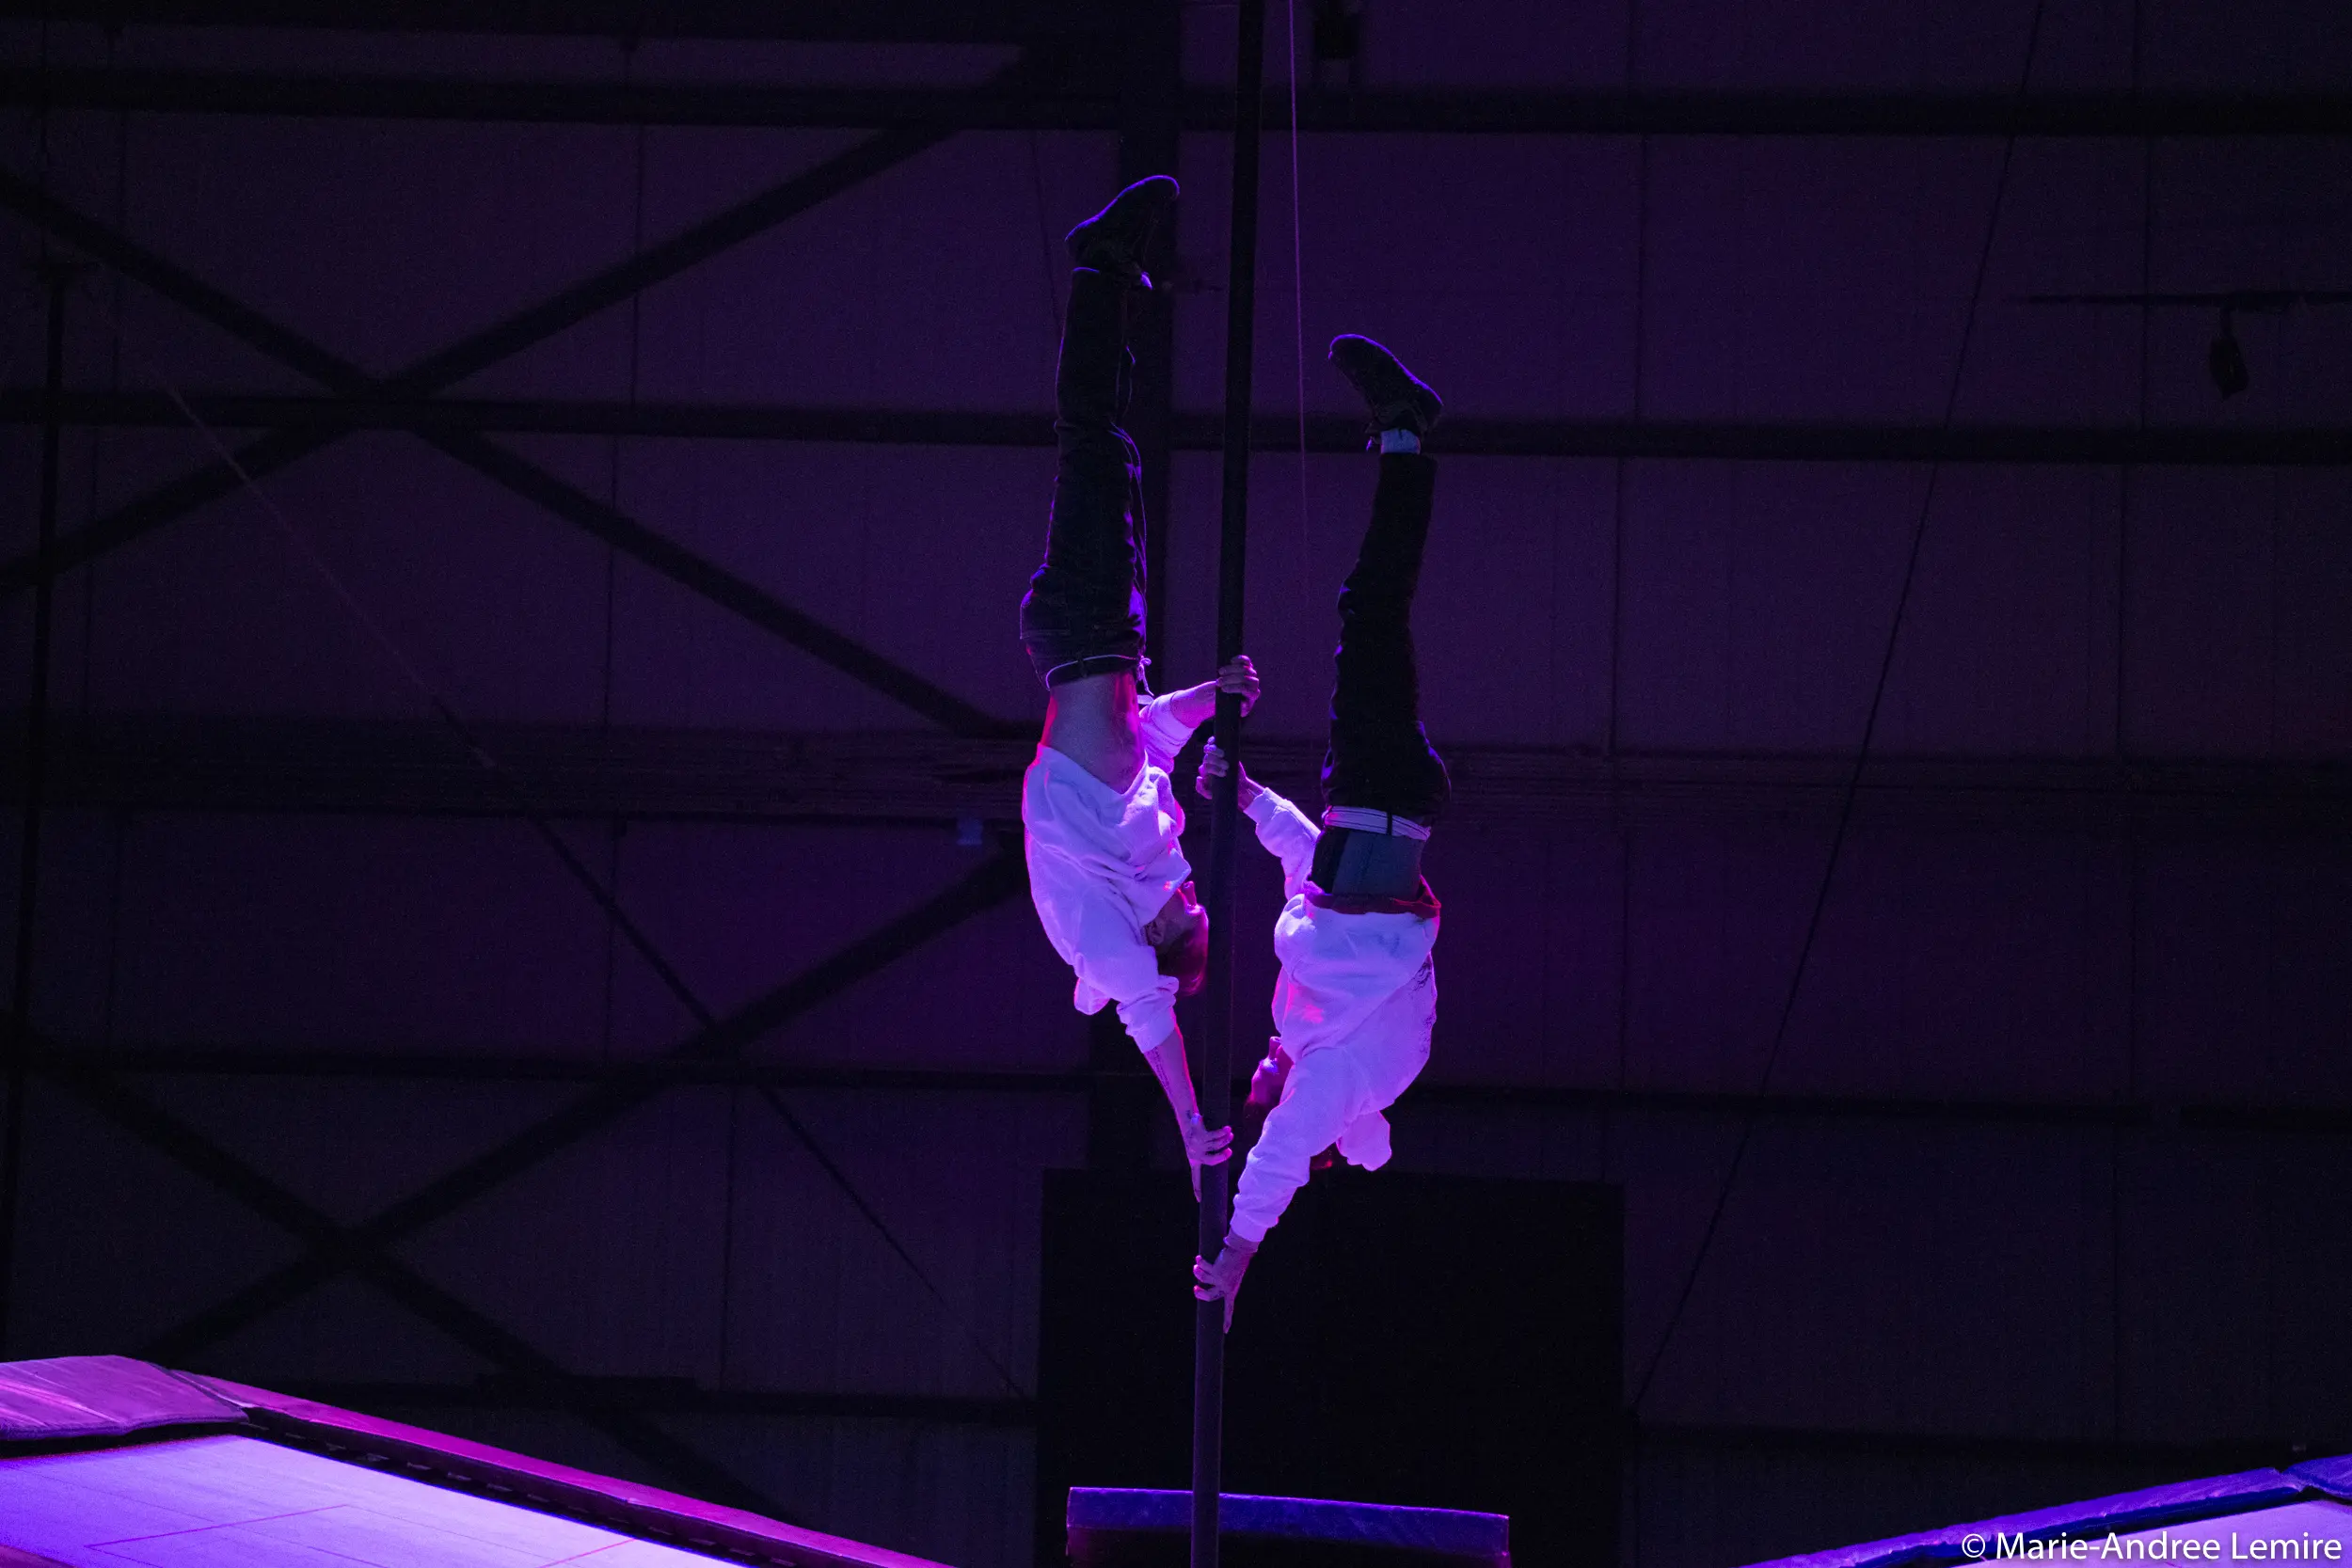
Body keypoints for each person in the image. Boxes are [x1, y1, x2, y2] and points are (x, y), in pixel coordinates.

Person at [1190, 333, 1449, 1329]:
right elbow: (1273, 1165)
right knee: (1368, 607)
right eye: (1261, 1079)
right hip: (1382, 797)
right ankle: (1404, 434)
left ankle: (1402, 441)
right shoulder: (1335, 1081)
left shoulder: (1325, 1030)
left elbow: (1311, 868)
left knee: (1371, 613)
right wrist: (1235, 1259)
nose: (1257, 1064)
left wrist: (1245, 795)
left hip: (1370, 810)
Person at [1020, 175, 1254, 1195]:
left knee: (1092, 444)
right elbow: (1154, 732)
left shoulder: (1113, 948)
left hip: (1078, 637)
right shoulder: (1141, 850)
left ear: (1165, 937)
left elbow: (1155, 1036)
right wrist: (1220, 691)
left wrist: (1198, 1129)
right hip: (1115, 644)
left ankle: (1095, 262)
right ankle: (1111, 279)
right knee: (1113, 456)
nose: (1196, 892)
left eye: (1193, 911)